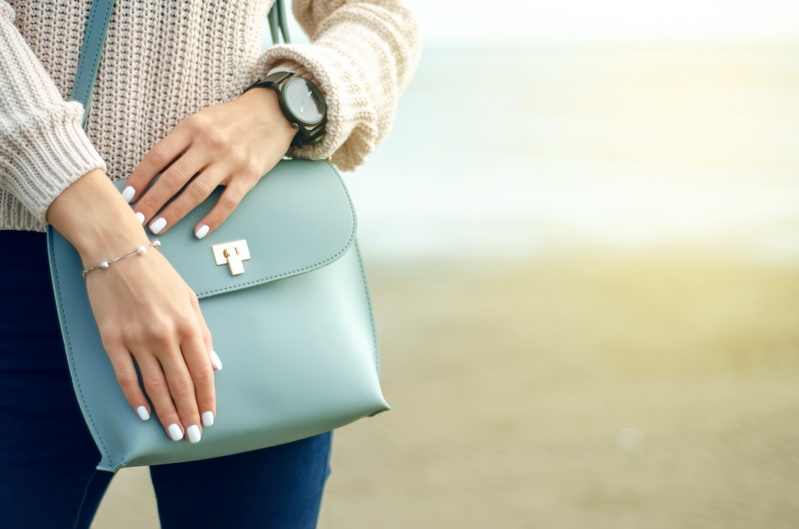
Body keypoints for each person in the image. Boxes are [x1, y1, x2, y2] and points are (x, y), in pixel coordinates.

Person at [0, 0, 420, 526]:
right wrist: (112, 242)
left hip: (243, 261)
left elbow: (379, 14)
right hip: (26, 275)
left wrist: (290, 102)